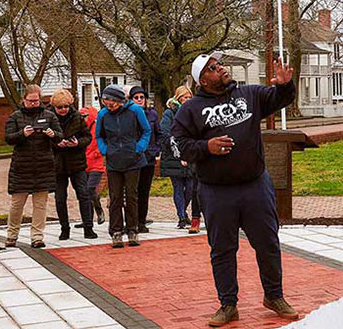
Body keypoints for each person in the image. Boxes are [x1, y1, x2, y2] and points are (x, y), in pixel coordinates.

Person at [172, 53, 301, 326]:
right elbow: (178, 145)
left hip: (254, 185)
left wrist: (285, 85)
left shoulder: (249, 95)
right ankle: (228, 304)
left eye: (219, 65)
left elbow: (280, 99)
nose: (221, 68)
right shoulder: (191, 109)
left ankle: (274, 296)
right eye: (213, 68)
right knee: (222, 249)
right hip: (216, 191)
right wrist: (206, 147)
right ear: (202, 79)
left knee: (267, 243)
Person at [95, 85, 152, 248]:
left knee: (132, 196)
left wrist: (139, 147)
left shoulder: (135, 110)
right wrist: (105, 150)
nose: (109, 105)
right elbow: (99, 135)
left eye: (112, 102)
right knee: (115, 197)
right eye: (106, 101)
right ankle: (116, 231)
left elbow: (146, 131)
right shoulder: (103, 115)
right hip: (114, 160)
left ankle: (132, 229)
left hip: (133, 159)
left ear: (120, 100)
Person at [4, 84, 60, 248]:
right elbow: (8, 138)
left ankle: (37, 237)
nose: (34, 104)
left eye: (36, 101)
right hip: (22, 167)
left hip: (43, 166)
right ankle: (11, 235)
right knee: (17, 204)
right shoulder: (15, 116)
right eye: (30, 101)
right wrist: (22, 134)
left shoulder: (49, 116)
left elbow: (59, 135)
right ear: (24, 100)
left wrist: (53, 134)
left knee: (40, 204)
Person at [49, 88, 97, 240]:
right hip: (58, 164)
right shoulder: (49, 118)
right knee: (60, 197)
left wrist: (76, 143)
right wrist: (57, 144)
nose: (63, 110)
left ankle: (88, 227)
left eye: (66, 106)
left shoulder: (77, 117)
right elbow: (45, 141)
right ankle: (65, 228)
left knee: (83, 194)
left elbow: (87, 137)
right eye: (60, 107)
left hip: (76, 162)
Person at [159, 85, 201, 232]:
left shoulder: (193, 113)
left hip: (190, 154)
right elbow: (165, 134)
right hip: (174, 155)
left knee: (190, 188)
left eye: (189, 97)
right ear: (178, 98)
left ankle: (184, 211)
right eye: (184, 97)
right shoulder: (169, 114)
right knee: (178, 186)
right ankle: (182, 216)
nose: (187, 100)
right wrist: (179, 153)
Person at [128, 86, 162, 233]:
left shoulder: (152, 114)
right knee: (131, 192)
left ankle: (141, 221)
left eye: (142, 97)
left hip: (148, 157)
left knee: (144, 191)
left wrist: (156, 150)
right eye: (136, 98)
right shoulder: (128, 115)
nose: (140, 100)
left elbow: (159, 134)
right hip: (132, 157)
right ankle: (130, 222)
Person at [74, 105, 106, 228]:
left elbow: (104, 140)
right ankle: (88, 219)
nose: (83, 119)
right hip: (83, 164)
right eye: (80, 116)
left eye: (85, 116)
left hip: (96, 164)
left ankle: (99, 210)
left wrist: (99, 152)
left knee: (90, 188)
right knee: (83, 193)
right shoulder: (79, 128)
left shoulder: (98, 127)